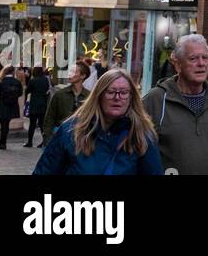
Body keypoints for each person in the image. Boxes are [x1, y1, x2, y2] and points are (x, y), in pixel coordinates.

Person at [142, 34, 208, 175]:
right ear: (177, 64)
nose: (201, 63)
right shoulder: (155, 101)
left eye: (205, 58)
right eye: (193, 58)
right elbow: (137, 153)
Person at [32, 69, 162, 176]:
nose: (117, 98)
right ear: (99, 95)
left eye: (124, 93)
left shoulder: (142, 135)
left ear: (131, 97)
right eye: (110, 92)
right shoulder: (72, 130)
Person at [42, 61, 91, 147]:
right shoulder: (60, 94)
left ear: (83, 76)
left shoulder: (89, 97)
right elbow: (49, 118)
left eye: (74, 72)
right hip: (59, 137)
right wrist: (47, 138)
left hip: (80, 140)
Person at [0, 65, 23, 150]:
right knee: (6, 124)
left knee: (3, 124)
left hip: (3, 105)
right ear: (13, 72)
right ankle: (2, 141)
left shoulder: (1, 81)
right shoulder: (17, 82)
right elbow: (20, 93)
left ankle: (2, 142)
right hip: (12, 105)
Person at [23, 66, 52, 148]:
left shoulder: (33, 80)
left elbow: (28, 90)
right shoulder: (45, 79)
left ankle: (30, 142)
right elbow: (47, 89)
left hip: (34, 103)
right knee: (42, 124)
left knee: (32, 124)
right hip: (43, 103)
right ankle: (44, 141)